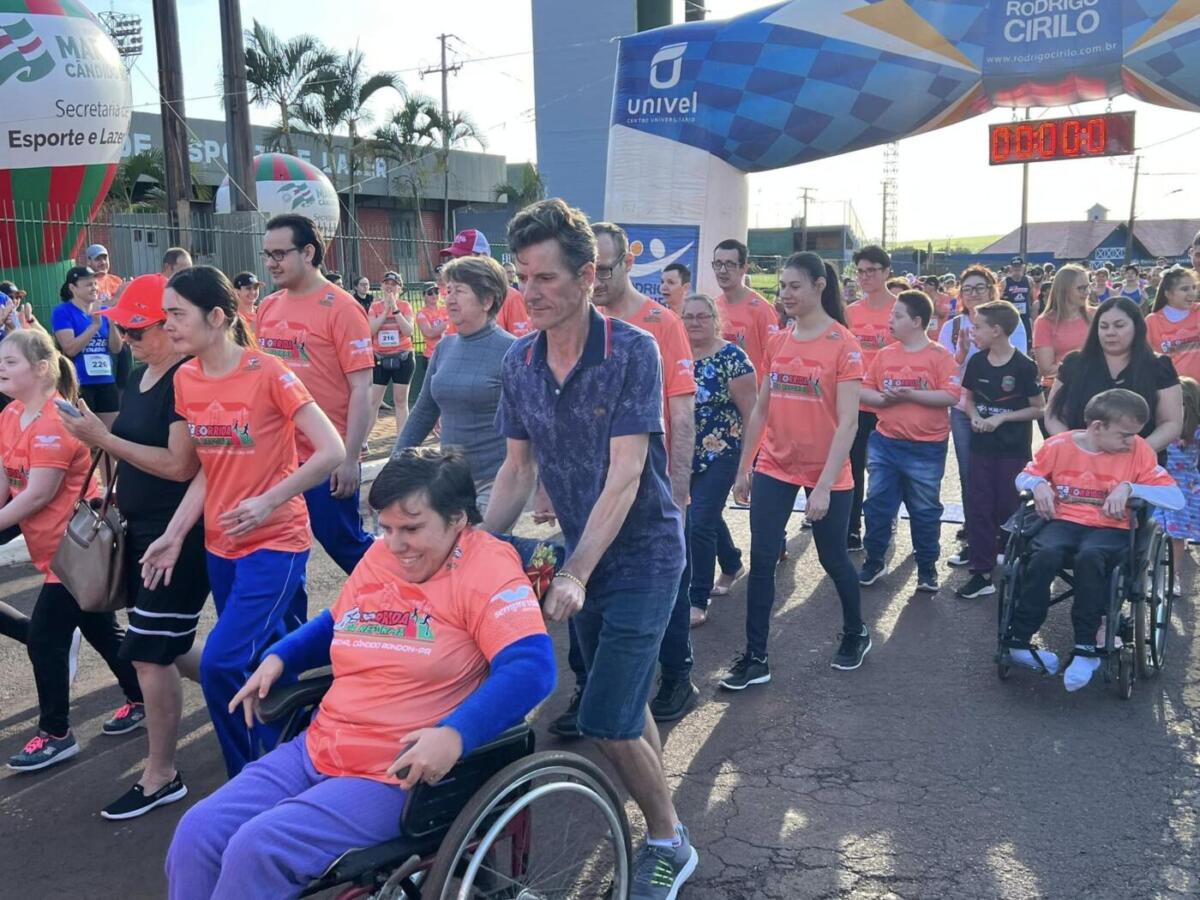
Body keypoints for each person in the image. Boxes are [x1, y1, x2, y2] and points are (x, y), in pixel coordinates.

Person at [165, 448, 555, 900]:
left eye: (411, 528)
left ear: (458, 519)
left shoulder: (486, 568)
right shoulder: (382, 557)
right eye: (386, 528)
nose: (395, 544)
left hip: (396, 770)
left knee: (258, 849)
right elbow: (339, 619)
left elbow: (531, 667)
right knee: (198, 831)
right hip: (323, 744)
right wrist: (281, 656)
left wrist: (455, 734)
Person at [484, 198, 698, 899]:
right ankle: (663, 811)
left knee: (605, 715)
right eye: (522, 277)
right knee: (623, 700)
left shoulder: (633, 350)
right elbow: (517, 469)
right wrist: (476, 547)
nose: (530, 292)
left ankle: (668, 842)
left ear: (586, 277)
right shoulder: (519, 360)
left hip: (642, 558)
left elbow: (628, 472)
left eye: (546, 277)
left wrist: (575, 571)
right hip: (582, 555)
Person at [140, 266, 345, 777]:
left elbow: (331, 450)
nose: (167, 325)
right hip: (221, 547)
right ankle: (309, 746)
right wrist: (174, 534)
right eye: (165, 315)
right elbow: (210, 469)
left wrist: (268, 502)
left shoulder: (269, 372)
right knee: (278, 657)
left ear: (216, 317)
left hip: (276, 543)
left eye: (177, 314)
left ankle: (250, 777)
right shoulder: (185, 379)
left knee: (221, 664)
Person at [58, 274, 211, 818]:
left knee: (149, 650)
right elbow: (137, 445)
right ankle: (253, 688)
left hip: (178, 533)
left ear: (172, 325)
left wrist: (102, 439)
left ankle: (161, 775)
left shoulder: (186, 378)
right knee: (167, 642)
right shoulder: (143, 373)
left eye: (138, 329)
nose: (128, 337)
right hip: (142, 527)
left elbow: (180, 464)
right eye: (124, 328)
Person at [0, 329, 144, 772]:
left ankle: (56, 734)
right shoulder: (11, 414)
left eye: (10, 362)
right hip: (50, 550)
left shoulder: (56, 422)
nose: (1, 368)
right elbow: (6, 483)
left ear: (41, 369)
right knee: (103, 631)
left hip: (75, 551)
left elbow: (38, 494)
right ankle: (142, 696)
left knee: (45, 640)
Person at [729, 252, 870, 685]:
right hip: (776, 464)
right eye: (782, 287)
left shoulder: (844, 344)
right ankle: (755, 657)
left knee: (833, 558)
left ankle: (856, 631)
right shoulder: (778, 341)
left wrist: (824, 486)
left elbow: (849, 422)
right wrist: (746, 465)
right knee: (762, 558)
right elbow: (760, 409)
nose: (785, 294)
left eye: (794, 286)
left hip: (828, 471)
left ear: (819, 286)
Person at [590, 221, 697, 724]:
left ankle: (677, 676)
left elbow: (682, 412)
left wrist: (679, 491)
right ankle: (590, 686)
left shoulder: (663, 323)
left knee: (664, 581)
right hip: (596, 481)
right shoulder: (582, 320)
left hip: (651, 483)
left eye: (603, 269)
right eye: (586, 270)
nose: (595, 281)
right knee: (592, 581)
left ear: (628, 264)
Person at [1006, 389, 1182, 691]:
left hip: (1110, 528)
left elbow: (1175, 498)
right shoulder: (1058, 445)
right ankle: (1018, 640)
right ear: (1097, 426)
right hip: (1063, 521)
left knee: (1091, 557)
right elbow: (1023, 476)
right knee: (1044, 553)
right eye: (1125, 435)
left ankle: (1086, 648)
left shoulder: (1138, 450)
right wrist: (1037, 484)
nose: (1132, 441)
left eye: (1134, 435)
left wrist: (1130, 488)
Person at [255, 213, 375, 575]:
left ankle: (404, 596)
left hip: (325, 456)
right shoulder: (268, 306)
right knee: (281, 551)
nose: (271, 263)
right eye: (267, 254)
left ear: (308, 253)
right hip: (277, 458)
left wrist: (350, 457)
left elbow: (362, 388)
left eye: (279, 254)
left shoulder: (342, 308)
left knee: (344, 543)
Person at [858, 290, 961, 593]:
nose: (890, 320)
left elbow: (951, 395)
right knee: (877, 505)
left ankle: (927, 567)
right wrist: (883, 400)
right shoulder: (885, 355)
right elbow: (864, 389)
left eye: (898, 315)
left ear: (917, 321)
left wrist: (910, 394)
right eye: (891, 314)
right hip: (885, 443)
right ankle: (874, 559)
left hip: (927, 448)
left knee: (925, 511)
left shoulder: (940, 356)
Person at [396, 256, 515, 512]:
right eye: (448, 290)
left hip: (497, 481)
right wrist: (396, 462)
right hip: (451, 481)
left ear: (487, 300)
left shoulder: (511, 351)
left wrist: (544, 486)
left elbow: (533, 423)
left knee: (477, 536)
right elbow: (424, 411)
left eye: (459, 291)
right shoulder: (444, 348)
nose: (449, 299)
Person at [955, 301, 1044, 600]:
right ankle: (981, 573)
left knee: (1011, 509)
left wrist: (1002, 418)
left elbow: (1039, 408)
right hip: (981, 449)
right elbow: (968, 400)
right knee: (979, 508)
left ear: (996, 330)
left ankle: (1016, 566)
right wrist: (975, 417)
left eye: (978, 326)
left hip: (1013, 452)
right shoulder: (977, 362)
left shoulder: (1024, 366)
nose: (972, 331)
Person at [941, 266, 1030, 567]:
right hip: (965, 408)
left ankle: (1005, 538)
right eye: (967, 288)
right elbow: (945, 371)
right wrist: (962, 352)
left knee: (1006, 480)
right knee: (971, 477)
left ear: (992, 290)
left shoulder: (1010, 321)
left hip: (1004, 411)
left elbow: (1014, 363)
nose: (973, 294)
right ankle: (977, 539)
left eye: (980, 287)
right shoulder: (952, 327)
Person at [680, 293, 755, 629]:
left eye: (702, 316)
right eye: (689, 317)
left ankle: (697, 598)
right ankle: (732, 563)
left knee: (698, 521)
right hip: (684, 453)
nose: (695, 322)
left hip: (724, 450)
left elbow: (751, 413)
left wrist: (746, 466)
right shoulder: (676, 356)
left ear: (715, 320)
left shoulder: (732, 358)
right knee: (704, 515)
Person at [1046, 297, 1183, 456]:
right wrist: (1074, 448)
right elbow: (1053, 415)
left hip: (1139, 462)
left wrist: (1137, 453)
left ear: (1136, 327)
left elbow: (1170, 422)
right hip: (1078, 461)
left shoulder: (1159, 366)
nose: (1110, 332)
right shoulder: (1073, 364)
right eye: (1104, 326)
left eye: (1119, 325)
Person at [845, 244, 899, 551]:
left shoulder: (901, 309)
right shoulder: (851, 312)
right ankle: (851, 527)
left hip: (888, 402)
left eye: (872, 271)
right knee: (851, 466)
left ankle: (883, 521)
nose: (865, 277)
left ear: (886, 272)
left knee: (882, 470)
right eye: (860, 271)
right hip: (854, 401)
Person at [52, 265, 123, 427]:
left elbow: (116, 348)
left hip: (106, 380)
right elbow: (70, 348)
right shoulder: (63, 312)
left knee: (111, 431)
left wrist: (112, 323)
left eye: (95, 283)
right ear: (73, 288)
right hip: (80, 383)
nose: (94, 288)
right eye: (88, 284)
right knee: (84, 433)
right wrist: (94, 326)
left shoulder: (103, 310)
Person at [440, 228, 534, 338]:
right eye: (455, 258)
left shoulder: (511, 297)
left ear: (483, 257)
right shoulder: (454, 297)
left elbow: (521, 343)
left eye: (463, 258)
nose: (457, 264)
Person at [1157, 376, 1200, 595]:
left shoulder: (1196, 431)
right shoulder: (1160, 426)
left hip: (1183, 487)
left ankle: (1173, 576)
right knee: (1157, 531)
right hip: (1160, 483)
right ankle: (1156, 575)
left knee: (1176, 535)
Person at [367, 271, 416, 442]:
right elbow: (370, 330)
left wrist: (395, 309)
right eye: (386, 283)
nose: (389, 287)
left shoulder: (405, 306)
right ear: (381, 286)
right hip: (380, 357)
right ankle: (363, 441)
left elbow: (408, 331)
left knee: (400, 400)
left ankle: (402, 440)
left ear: (399, 288)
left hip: (402, 356)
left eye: (393, 284)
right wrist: (385, 311)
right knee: (373, 401)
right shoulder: (375, 307)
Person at [1032, 265, 1092, 399]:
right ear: (1064, 290)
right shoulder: (1044, 322)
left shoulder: (1096, 316)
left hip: (1094, 386)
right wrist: (1086, 366)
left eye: (1088, 287)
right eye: (1081, 288)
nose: (1087, 292)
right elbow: (1046, 369)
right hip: (1060, 390)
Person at [1146, 267, 1200, 382]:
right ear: (1168, 294)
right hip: (1172, 387)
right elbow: (1145, 358)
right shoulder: (1152, 322)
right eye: (1184, 289)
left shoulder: (1198, 312)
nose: (1192, 293)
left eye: (1194, 287)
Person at [413, 283, 449, 396]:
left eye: (436, 292)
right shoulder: (422, 314)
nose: (434, 295)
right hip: (432, 355)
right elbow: (429, 333)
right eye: (430, 293)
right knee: (435, 388)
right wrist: (448, 323)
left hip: (448, 352)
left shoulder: (445, 309)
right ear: (424, 296)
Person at [1000, 255, 1035, 335]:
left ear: (1023, 267)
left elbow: (1031, 299)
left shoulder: (1028, 280)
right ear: (1010, 268)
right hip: (1010, 318)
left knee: (1026, 339)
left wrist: (1031, 316)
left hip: (1025, 317)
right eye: (1014, 266)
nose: (1017, 269)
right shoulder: (1005, 282)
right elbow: (998, 300)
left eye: (1019, 266)